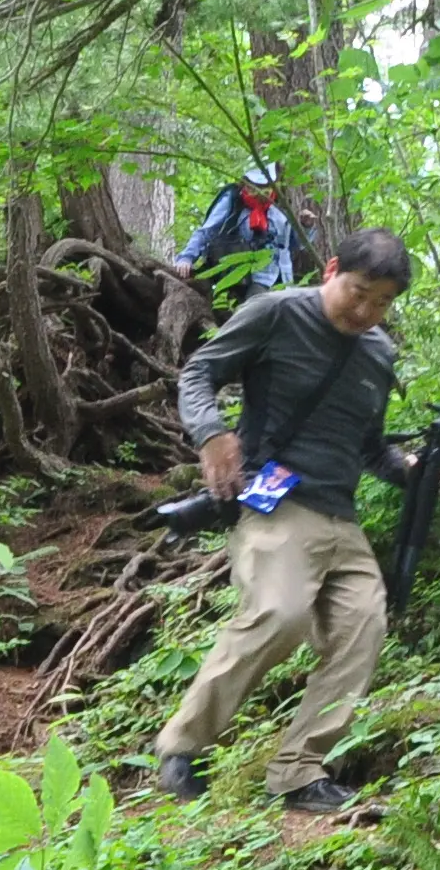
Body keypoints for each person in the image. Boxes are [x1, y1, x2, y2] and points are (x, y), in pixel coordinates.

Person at [151, 232, 416, 815]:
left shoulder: (378, 353)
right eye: (359, 293)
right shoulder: (275, 313)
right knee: (281, 610)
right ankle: (181, 746)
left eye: (382, 303)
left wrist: (410, 470)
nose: (367, 311)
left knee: (363, 628)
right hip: (275, 503)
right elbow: (198, 374)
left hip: (341, 517)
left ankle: (299, 771)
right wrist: (212, 435)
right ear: (331, 270)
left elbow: (368, 447)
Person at [175, 164, 302, 305]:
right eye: (254, 186)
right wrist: (186, 257)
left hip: (281, 281)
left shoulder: (278, 207)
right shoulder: (233, 201)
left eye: (264, 187)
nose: (259, 192)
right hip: (245, 279)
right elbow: (206, 232)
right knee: (252, 314)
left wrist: (307, 227)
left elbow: (292, 245)